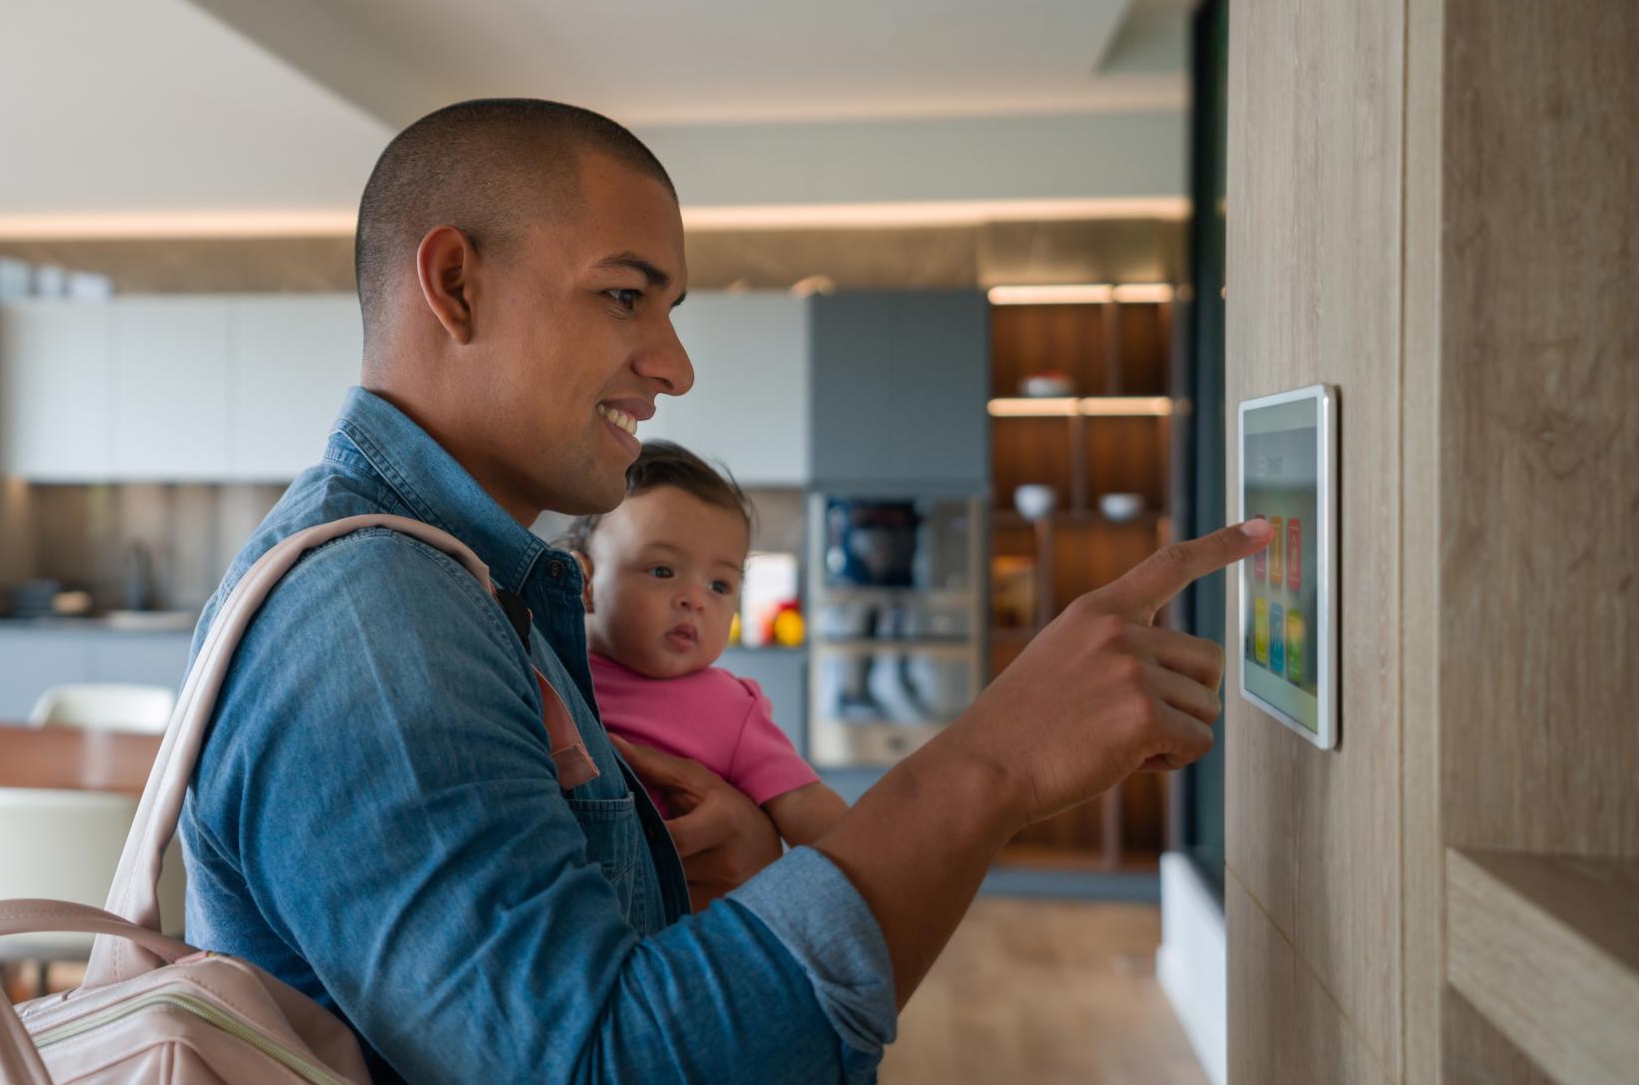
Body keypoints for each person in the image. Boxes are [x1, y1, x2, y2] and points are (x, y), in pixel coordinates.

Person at [171, 99, 1265, 1082]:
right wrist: (993, 762)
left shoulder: (468, 590)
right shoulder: (376, 623)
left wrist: (713, 882)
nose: (673, 365)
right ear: (455, 283)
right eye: (622, 296)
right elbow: (600, 1066)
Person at [562, 438, 847, 907]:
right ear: (584, 582)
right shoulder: (544, 668)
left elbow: (811, 811)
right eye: (661, 570)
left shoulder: (730, 708)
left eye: (719, 584)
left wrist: (872, 882)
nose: (695, 598)